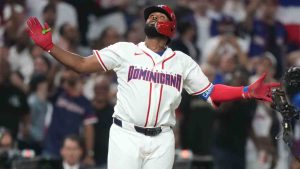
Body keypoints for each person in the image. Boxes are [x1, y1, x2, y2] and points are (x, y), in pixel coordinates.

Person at [26, 4, 280, 169]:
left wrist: (245, 91)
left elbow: (211, 92)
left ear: (170, 26)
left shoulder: (181, 62)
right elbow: (81, 64)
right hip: (126, 135)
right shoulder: (125, 51)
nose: (152, 18)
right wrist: (50, 47)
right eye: (150, 16)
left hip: (162, 139)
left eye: (158, 16)